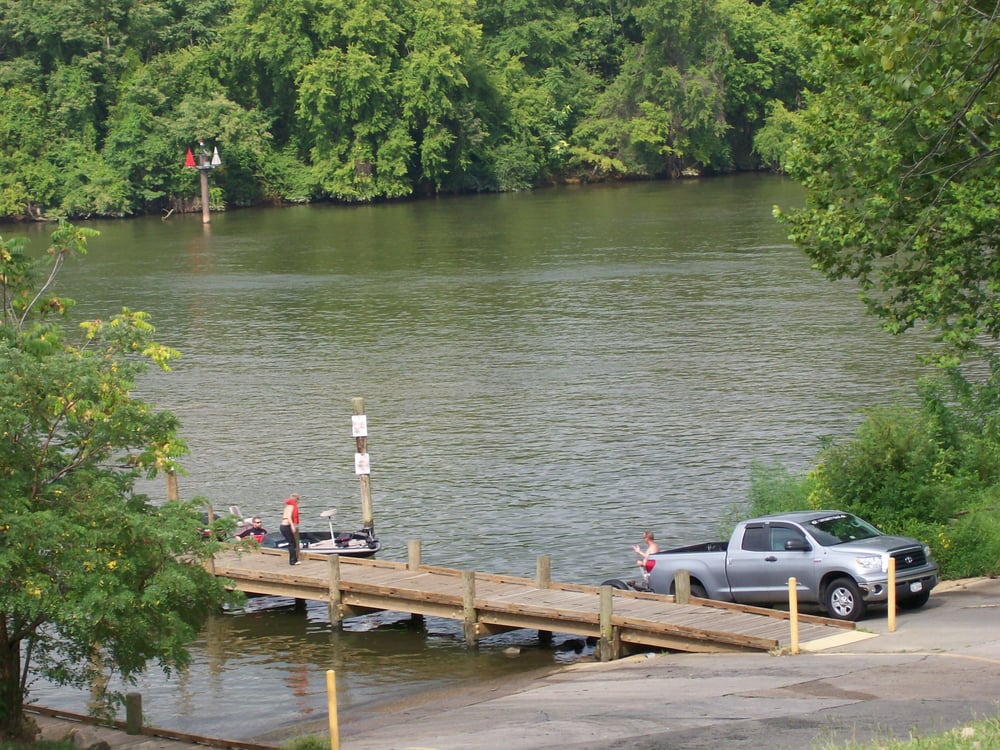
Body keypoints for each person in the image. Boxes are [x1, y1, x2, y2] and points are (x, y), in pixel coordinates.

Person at [280, 493, 301, 565]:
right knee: (292, 543)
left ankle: (294, 560)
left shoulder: (287, 506)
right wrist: (292, 526)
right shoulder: (291, 506)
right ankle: (292, 561)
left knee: (292, 543)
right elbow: (289, 517)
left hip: (283, 526)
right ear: (296, 500)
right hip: (286, 526)